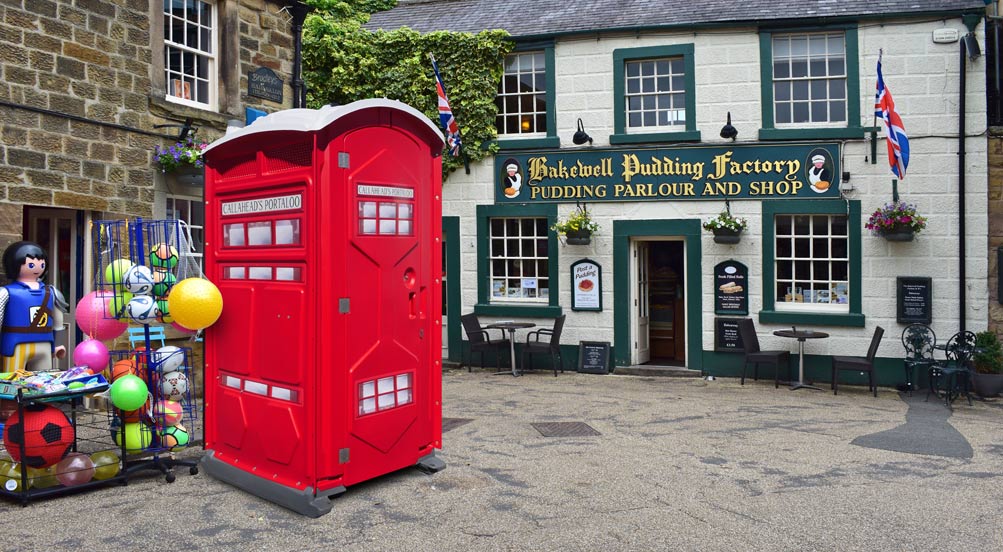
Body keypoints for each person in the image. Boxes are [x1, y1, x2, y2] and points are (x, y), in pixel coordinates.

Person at [0, 241, 67, 378]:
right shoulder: (6, 292)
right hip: (15, 344)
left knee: (44, 383)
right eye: (31, 264)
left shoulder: (51, 292)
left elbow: (59, 322)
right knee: (11, 383)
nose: (37, 268)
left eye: (41, 264)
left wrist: (59, 344)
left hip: (44, 344)